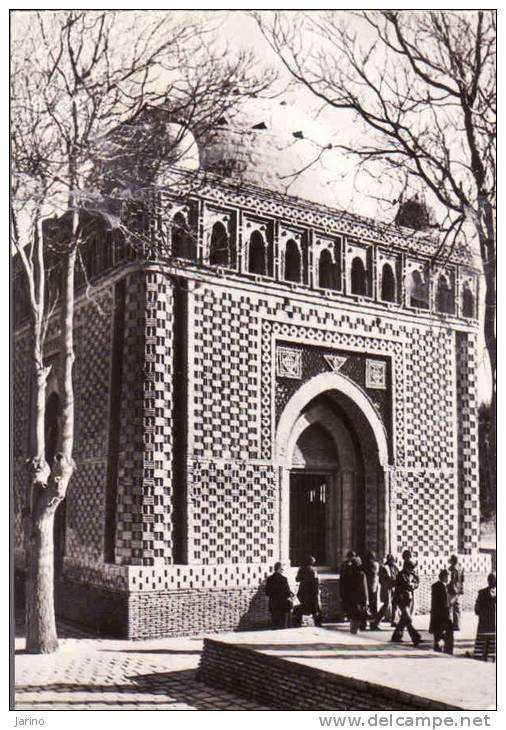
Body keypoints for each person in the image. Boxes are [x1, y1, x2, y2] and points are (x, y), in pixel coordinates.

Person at [391, 559, 422, 646]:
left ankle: (396, 636)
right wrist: (411, 585)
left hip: (409, 599)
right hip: (401, 599)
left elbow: (417, 582)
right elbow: (405, 585)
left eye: (412, 568)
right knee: (408, 618)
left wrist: (414, 584)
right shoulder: (401, 575)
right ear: (406, 567)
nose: (411, 569)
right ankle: (415, 637)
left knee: (404, 619)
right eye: (410, 567)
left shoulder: (412, 574)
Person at [292, 556, 323, 627]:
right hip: (311, 593)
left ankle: (297, 623)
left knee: (301, 608)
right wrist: (316, 593)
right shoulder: (313, 571)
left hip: (302, 592)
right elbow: (316, 583)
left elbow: (297, 579)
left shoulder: (301, 569)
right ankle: (318, 624)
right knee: (315, 609)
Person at [429, 569, 454, 654]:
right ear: (445, 577)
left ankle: (439, 649)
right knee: (446, 635)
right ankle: (447, 651)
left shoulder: (438, 586)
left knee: (439, 635)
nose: (449, 578)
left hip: (438, 615)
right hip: (442, 615)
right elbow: (444, 602)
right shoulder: (441, 587)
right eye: (448, 576)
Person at [371, 554, 398, 629]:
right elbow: (381, 579)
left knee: (395, 605)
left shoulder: (395, 567)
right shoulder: (384, 568)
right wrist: (389, 582)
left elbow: (397, 575)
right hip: (386, 588)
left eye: (393, 560)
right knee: (386, 605)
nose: (392, 561)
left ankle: (394, 621)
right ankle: (376, 622)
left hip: (394, 588)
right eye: (391, 559)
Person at [474, 572, 496, 661]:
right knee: (481, 651)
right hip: (484, 626)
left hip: (494, 627)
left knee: (493, 651)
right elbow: (477, 609)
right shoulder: (482, 593)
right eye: (492, 580)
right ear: (488, 581)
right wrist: (485, 615)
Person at [265, 562, 294, 629]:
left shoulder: (269, 579)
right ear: (279, 569)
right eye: (282, 569)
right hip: (282, 604)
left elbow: (267, 592)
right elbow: (287, 592)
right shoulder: (284, 579)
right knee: (283, 624)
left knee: (275, 624)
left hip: (273, 604)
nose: (283, 571)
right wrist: (291, 594)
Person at [347, 556, 370, 634]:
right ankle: (354, 632)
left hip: (350, 599)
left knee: (352, 617)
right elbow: (364, 589)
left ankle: (352, 631)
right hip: (359, 599)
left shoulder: (348, 574)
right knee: (357, 617)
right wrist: (366, 600)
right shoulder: (361, 574)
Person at [363, 551, 380, 629]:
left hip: (365, 588)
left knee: (366, 605)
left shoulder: (364, 565)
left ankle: (363, 623)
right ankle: (373, 624)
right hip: (373, 587)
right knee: (373, 607)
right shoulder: (376, 565)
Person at [448, 554, 465, 631]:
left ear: (453, 561)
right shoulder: (461, 568)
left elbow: (451, 580)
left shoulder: (452, 569)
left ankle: (451, 624)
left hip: (453, 590)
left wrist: (449, 588)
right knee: (458, 608)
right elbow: (463, 579)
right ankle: (457, 625)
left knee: (450, 607)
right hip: (459, 589)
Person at [339, 550, 356, 621]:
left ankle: (349, 615)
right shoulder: (345, 564)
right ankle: (345, 615)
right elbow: (342, 574)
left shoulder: (353, 564)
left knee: (350, 601)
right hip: (346, 585)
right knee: (345, 600)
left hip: (350, 585)